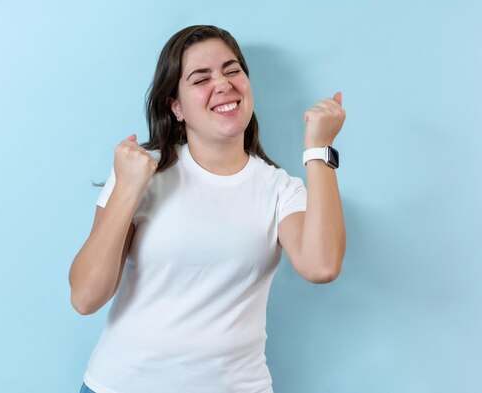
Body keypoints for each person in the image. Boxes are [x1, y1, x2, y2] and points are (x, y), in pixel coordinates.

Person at [68, 24, 346, 393]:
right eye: (201, 78)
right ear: (176, 106)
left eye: (232, 71)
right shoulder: (142, 172)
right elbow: (86, 297)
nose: (223, 84)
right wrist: (127, 191)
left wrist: (318, 151)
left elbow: (321, 266)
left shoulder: (281, 189)